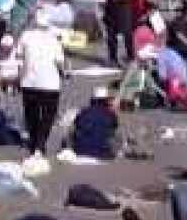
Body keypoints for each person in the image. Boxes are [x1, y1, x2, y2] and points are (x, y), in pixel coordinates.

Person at [18, 9, 65, 159]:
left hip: (29, 81)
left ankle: (34, 142)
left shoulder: (26, 36)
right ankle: (40, 143)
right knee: (48, 115)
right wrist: (65, 73)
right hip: (50, 83)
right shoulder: (54, 39)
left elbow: (19, 55)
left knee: (31, 114)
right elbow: (59, 63)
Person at [70, 86, 119, 160]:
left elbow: (75, 127)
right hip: (101, 151)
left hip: (80, 150)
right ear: (106, 100)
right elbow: (114, 130)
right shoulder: (110, 114)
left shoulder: (83, 112)